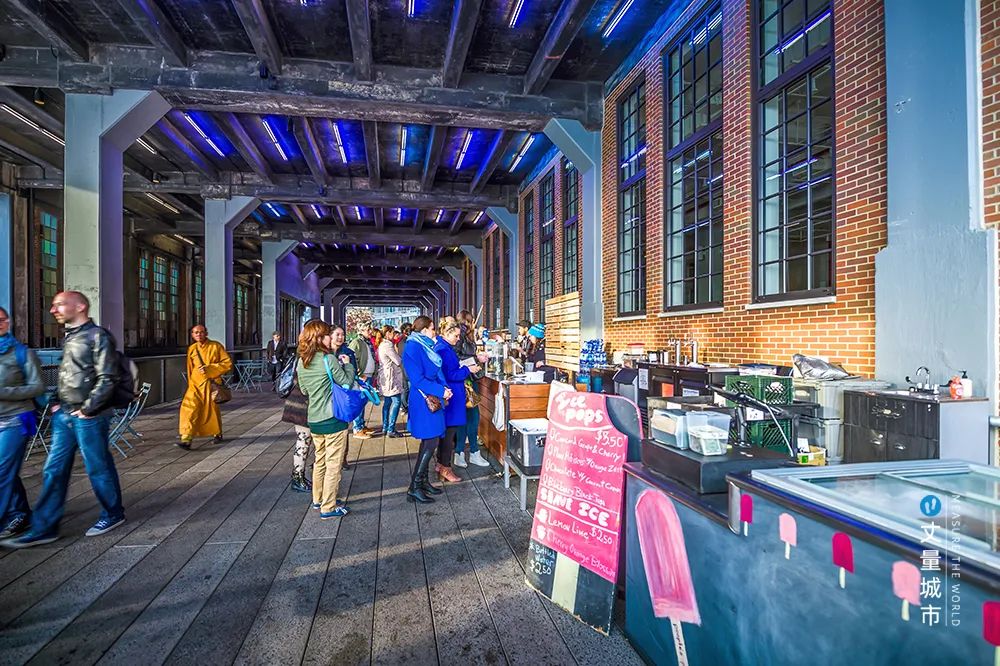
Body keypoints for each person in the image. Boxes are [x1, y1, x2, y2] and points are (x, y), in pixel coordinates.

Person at [4, 292, 125, 548]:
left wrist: (89, 409)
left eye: (59, 304)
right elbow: (68, 374)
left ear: (79, 306)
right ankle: (44, 528)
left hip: (89, 416)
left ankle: (113, 514)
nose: (53, 310)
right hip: (65, 414)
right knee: (53, 469)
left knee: (97, 466)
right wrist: (56, 402)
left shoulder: (98, 336)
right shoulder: (71, 336)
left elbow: (108, 377)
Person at [296, 319, 355, 518]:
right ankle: (328, 506)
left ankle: (317, 498)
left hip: (314, 419)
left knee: (319, 460)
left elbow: (304, 390)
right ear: (320, 338)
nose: (330, 337)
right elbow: (346, 383)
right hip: (333, 418)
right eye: (327, 335)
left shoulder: (302, 361)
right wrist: (348, 366)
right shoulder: (328, 359)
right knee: (333, 465)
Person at [0, 307, 45, 540]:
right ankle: (20, 514)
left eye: (1, 320)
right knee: (7, 471)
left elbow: (38, 387)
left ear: (8, 322)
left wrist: (4, 392)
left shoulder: (22, 353)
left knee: (2, 472)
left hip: (19, 418)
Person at [401, 316, 452, 503]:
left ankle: (422, 482)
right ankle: (414, 487)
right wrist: (441, 390)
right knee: (430, 442)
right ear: (424, 330)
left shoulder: (423, 345)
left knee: (430, 441)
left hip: (431, 398)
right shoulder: (413, 347)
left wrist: (443, 389)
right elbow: (417, 379)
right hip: (424, 401)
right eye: (432, 328)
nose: (435, 332)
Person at [433, 320, 481, 483]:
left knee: (446, 432)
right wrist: (468, 369)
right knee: (449, 434)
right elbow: (451, 375)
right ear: (446, 334)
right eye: (456, 335)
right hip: (452, 395)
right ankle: (445, 467)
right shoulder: (444, 350)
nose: (458, 339)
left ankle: (440, 464)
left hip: (451, 395)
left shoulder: (443, 347)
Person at [178, 325, 232, 449]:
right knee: (188, 409)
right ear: (192, 335)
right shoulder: (192, 349)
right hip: (195, 384)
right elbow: (190, 368)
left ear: (206, 333)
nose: (199, 334)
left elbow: (227, 363)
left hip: (210, 383)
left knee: (211, 410)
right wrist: (190, 383)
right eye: (196, 332)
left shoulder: (216, 346)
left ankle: (217, 433)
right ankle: (186, 439)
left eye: (201, 332)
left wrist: (210, 368)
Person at [453, 319, 490, 469]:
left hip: (466, 381)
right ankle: (472, 452)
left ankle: (460, 453)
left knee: (466, 418)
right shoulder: (462, 336)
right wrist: (476, 358)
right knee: (472, 417)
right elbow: (457, 359)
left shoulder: (463, 336)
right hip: (466, 382)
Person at [281, 372, 313, 493]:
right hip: (302, 406)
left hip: (298, 403)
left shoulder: (302, 362)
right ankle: (297, 478)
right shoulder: (307, 363)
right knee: (303, 441)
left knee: (303, 440)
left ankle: (298, 476)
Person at [348, 323, 376, 438]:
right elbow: (351, 358)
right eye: (368, 329)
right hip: (362, 377)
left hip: (368, 376)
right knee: (359, 402)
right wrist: (359, 374)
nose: (371, 331)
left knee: (363, 402)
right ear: (361, 330)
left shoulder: (367, 342)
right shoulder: (356, 342)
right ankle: (357, 429)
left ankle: (361, 425)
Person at [376, 325, 404, 438]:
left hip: (386, 376)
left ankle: (385, 426)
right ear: (388, 333)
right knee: (396, 401)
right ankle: (391, 429)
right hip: (391, 377)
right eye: (392, 333)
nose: (394, 335)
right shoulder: (388, 345)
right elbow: (397, 361)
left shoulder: (382, 344)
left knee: (387, 402)